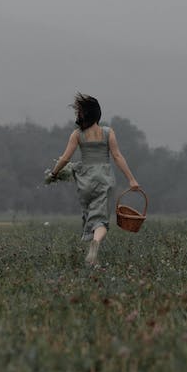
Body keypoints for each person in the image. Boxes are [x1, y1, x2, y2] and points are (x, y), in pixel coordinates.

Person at [47, 93, 140, 265]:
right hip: (104, 178)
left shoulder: (77, 134)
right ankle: (95, 243)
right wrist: (131, 179)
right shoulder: (108, 132)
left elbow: (65, 158)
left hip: (85, 180)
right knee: (101, 220)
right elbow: (118, 156)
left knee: (90, 215)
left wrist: (54, 173)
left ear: (83, 115)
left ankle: (93, 253)